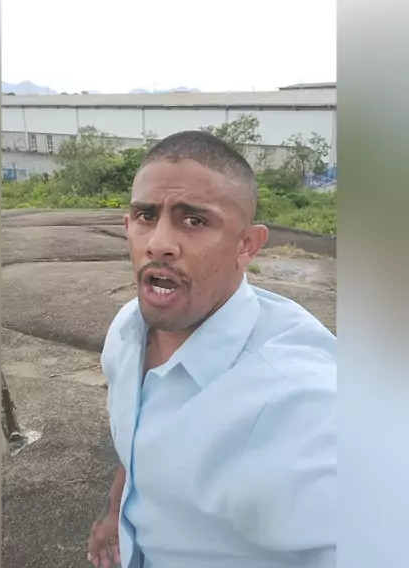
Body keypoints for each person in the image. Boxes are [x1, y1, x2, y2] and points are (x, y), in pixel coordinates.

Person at [87, 131, 336, 568]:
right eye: (146, 215)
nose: (158, 243)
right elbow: (136, 435)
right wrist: (115, 514)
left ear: (247, 245)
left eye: (194, 220)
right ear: (127, 227)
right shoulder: (127, 330)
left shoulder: (298, 399)